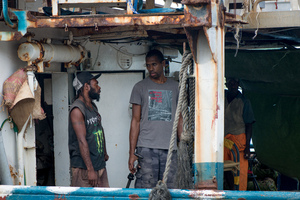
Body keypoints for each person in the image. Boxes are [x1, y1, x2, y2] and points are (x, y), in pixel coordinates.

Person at [128, 49, 183, 189]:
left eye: (154, 64)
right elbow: (135, 121)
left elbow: (180, 119)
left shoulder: (175, 87)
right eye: (148, 65)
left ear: (163, 64)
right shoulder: (139, 87)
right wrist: (132, 153)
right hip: (146, 149)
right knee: (145, 192)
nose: (151, 68)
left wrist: (183, 147)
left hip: (170, 150)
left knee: (170, 192)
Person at [69, 71, 109, 187]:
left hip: (99, 165)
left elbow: (99, 129)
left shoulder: (92, 106)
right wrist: (90, 169)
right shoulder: (77, 109)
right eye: (96, 84)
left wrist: (104, 152)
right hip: (85, 170)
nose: (99, 87)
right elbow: (82, 140)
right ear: (86, 86)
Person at [224, 78, 255, 191]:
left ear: (238, 84)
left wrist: (247, 147)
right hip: (223, 140)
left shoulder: (244, 101)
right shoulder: (221, 97)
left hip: (239, 140)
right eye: (230, 82)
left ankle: (240, 195)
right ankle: (232, 190)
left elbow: (249, 125)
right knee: (225, 169)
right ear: (226, 83)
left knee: (240, 172)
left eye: (235, 83)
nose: (232, 85)